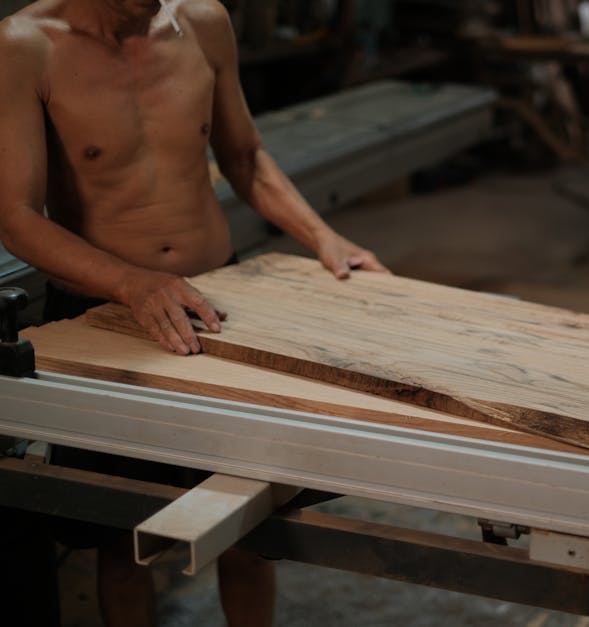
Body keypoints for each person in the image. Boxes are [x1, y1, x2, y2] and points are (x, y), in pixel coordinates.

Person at [0, 1, 388, 625]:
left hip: (219, 306)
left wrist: (323, 238)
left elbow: (246, 157)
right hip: (106, 318)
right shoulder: (24, 46)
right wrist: (132, 283)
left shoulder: (202, 21)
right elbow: (16, 216)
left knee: (253, 529)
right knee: (126, 540)